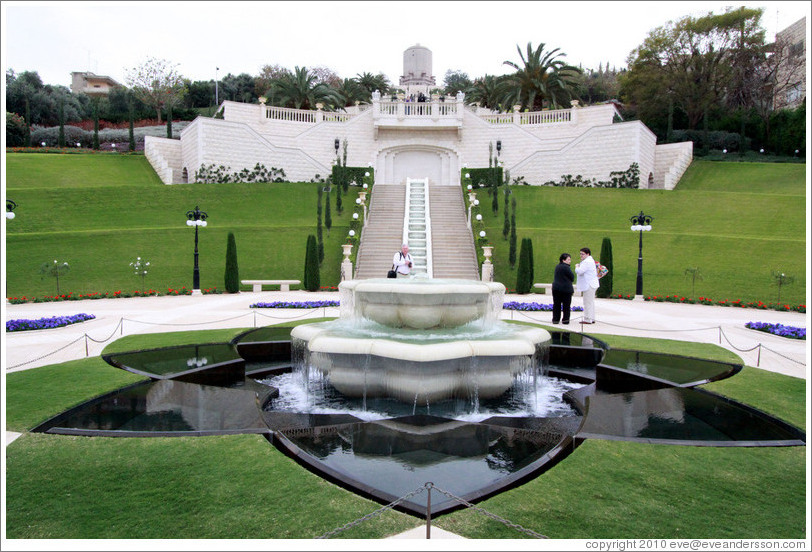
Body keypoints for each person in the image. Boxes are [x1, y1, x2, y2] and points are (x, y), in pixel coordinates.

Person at [575, 247, 600, 324]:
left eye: (582, 254)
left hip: (589, 285)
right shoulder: (589, 260)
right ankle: (591, 318)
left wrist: (576, 267)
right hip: (592, 284)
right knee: (590, 302)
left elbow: (579, 271)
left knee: (587, 302)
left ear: (588, 254)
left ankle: (588, 319)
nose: (581, 255)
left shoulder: (587, 262)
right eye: (580, 254)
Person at [552, 253, 574, 324]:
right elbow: (572, 277)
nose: (570, 261)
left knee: (556, 305)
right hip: (566, 290)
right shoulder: (566, 267)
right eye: (568, 259)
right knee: (566, 306)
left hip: (556, 288)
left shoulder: (557, 266)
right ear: (563, 260)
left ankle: (555, 319)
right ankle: (565, 320)